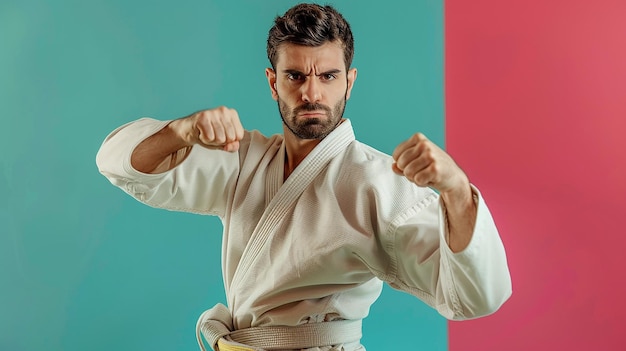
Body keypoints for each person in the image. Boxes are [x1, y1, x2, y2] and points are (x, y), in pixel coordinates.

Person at [96, 3, 511, 351]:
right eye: (295, 76)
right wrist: (181, 131)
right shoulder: (242, 160)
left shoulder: (378, 182)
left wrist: (456, 190)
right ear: (273, 82)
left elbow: (476, 297)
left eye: (327, 76)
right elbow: (117, 163)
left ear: (349, 82)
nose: (311, 93)